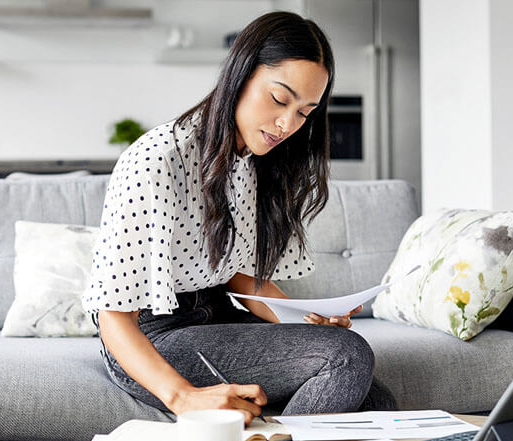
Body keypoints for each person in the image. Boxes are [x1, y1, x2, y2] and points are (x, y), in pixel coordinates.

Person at [81, 11, 397, 426]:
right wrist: (183, 397)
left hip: (216, 316)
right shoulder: (158, 159)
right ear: (240, 75)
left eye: (305, 112)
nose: (288, 124)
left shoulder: (258, 160)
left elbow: (240, 278)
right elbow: (112, 315)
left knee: (376, 400)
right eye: (280, 99)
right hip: (150, 340)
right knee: (346, 357)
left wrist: (307, 320)